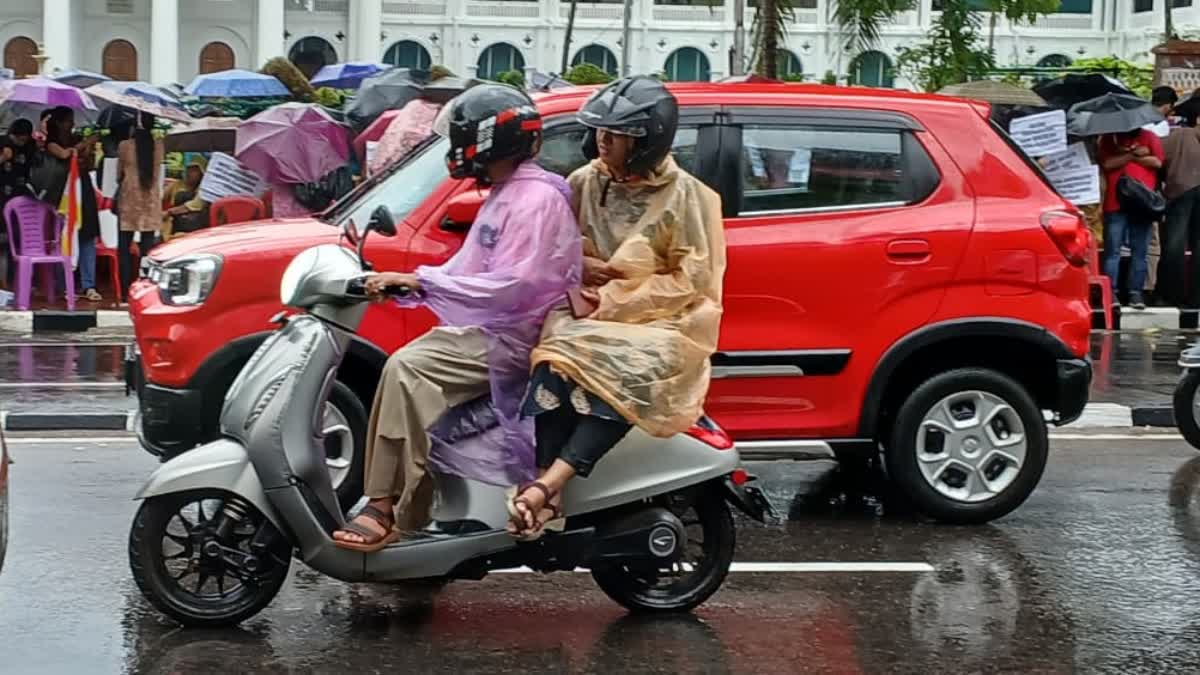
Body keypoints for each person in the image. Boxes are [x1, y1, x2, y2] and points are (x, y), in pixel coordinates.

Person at [331, 84, 582, 551]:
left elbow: (513, 286)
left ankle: (385, 506)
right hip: (496, 327)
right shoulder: (508, 193)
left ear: (489, 141)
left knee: (408, 370)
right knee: (408, 364)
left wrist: (424, 283)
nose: (456, 148)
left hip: (514, 336)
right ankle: (419, 513)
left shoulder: (534, 200)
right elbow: (466, 270)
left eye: (462, 137)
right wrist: (411, 284)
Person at [509, 76, 726, 539]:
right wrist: (580, 265)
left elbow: (691, 280)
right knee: (553, 358)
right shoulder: (584, 183)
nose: (602, 141)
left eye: (616, 134)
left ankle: (547, 485)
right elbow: (556, 249)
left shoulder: (688, 197)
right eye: (600, 132)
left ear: (645, 143)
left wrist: (612, 298)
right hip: (586, 314)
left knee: (624, 370)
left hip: (665, 322)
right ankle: (548, 489)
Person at [1098, 126, 1164, 310]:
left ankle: (1136, 293)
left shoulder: (1150, 136)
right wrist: (1133, 155)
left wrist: (1127, 156)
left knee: (1140, 252)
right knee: (1113, 252)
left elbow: (1157, 162)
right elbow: (1107, 164)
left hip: (1142, 204)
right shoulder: (1109, 138)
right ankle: (1111, 293)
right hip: (1115, 203)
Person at [116, 111, 164, 292]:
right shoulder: (158, 145)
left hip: (129, 201)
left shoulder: (125, 146)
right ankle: (145, 287)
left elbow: (118, 176)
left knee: (124, 248)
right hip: (150, 200)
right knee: (147, 248)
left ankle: (124, 290)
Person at [1160, 104, 1200, 309]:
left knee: (1175, 243)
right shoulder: (1182, 135)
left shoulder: (1180, 135)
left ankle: (1171, 294)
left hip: (1181, 191)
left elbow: (1160, 158)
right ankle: (1196, 297)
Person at [0, 119, 36, 287]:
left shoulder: (29, 147)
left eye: (24, 138)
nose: (21, 141)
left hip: (20, 198)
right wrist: (3, 157)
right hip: (2, 195)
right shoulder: (3, 142)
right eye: (18, 138)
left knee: (17, 240)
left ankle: (16, 281)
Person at [161, 155, 208, 241]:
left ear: (202, 173)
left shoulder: (205, 189)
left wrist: (170, 212)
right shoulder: (176, 185)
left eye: (194, 170)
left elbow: (196, 204)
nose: (189, 173)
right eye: (188, 169)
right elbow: (160, 197)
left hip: (197, 229)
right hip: (174, 226)